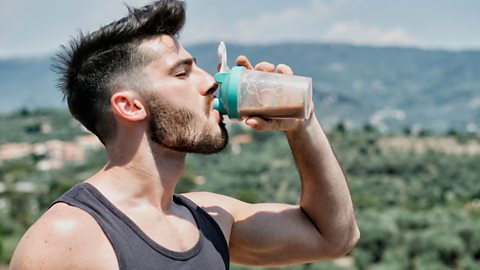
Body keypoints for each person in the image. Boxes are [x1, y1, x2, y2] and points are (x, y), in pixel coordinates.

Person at [10, 1, 359, 269]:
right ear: (130, 106)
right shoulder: (69, 238)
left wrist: (301, 123)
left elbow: (334, 237)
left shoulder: (212, 218)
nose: (209, 82)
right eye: (182, 73)